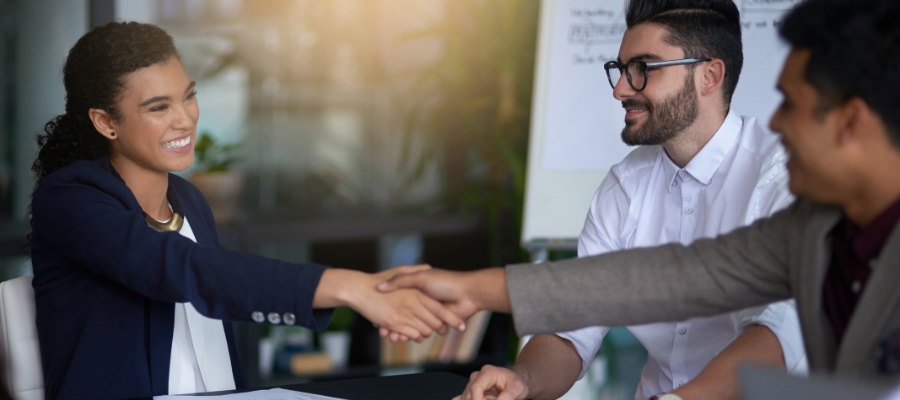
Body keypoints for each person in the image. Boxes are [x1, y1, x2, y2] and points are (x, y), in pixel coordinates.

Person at [378, 0, 900, 398]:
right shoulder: (629, 187)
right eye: (621, 69)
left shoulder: (790, 184)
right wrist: (487, 312)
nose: (620, 90)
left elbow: (783, 332)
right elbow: (667, 280)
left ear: (709, 75)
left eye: (643, 68)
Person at [29, 22, 463, 400]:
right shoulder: (69, 199)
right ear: (106, 122)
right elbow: (185, 269)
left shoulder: (190, 201)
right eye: (159, 107)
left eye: (188, 96)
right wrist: (347, 287)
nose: (185, 119)